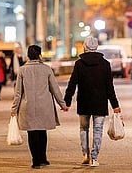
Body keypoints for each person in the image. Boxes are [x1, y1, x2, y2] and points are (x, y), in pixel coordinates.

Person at [64, 36, 121, 168]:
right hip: (100, 102)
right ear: (96, 47)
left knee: (84, 128)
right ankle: (94, 158)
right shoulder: (105, 64)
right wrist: (115, 105)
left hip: (84, 102)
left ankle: (85, 154)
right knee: (98, 129)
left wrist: (67, 101)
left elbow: (72, 84)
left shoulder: (79, 64)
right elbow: (109, 87)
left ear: (85, 47)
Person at [11, 45, 68, 169]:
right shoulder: (47, 69)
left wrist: (14, 109)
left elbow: (18, 92)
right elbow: (55, 89)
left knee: (32, 133)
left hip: (28, 106)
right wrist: (62, 104)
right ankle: (43, 158)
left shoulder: (22, 70)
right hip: (44, 106)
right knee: (42, 132)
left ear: (28, 56)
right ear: (39, 55)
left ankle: (35, 160)